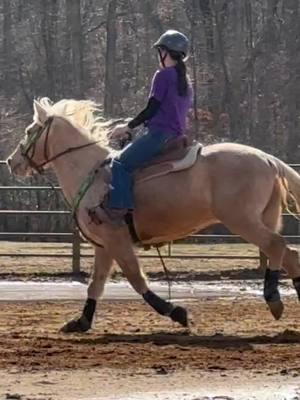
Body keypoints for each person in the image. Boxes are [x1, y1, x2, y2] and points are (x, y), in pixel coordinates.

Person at [90, 29, 193, 225]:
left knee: (118, 163)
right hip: (176, 135)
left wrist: (128, 127)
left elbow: (152, 108)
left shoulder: (162, 76)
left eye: (160, 52)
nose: (158, 56)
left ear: (166, 52)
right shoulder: (185, 81)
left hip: (159, 135)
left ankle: (119, 211)